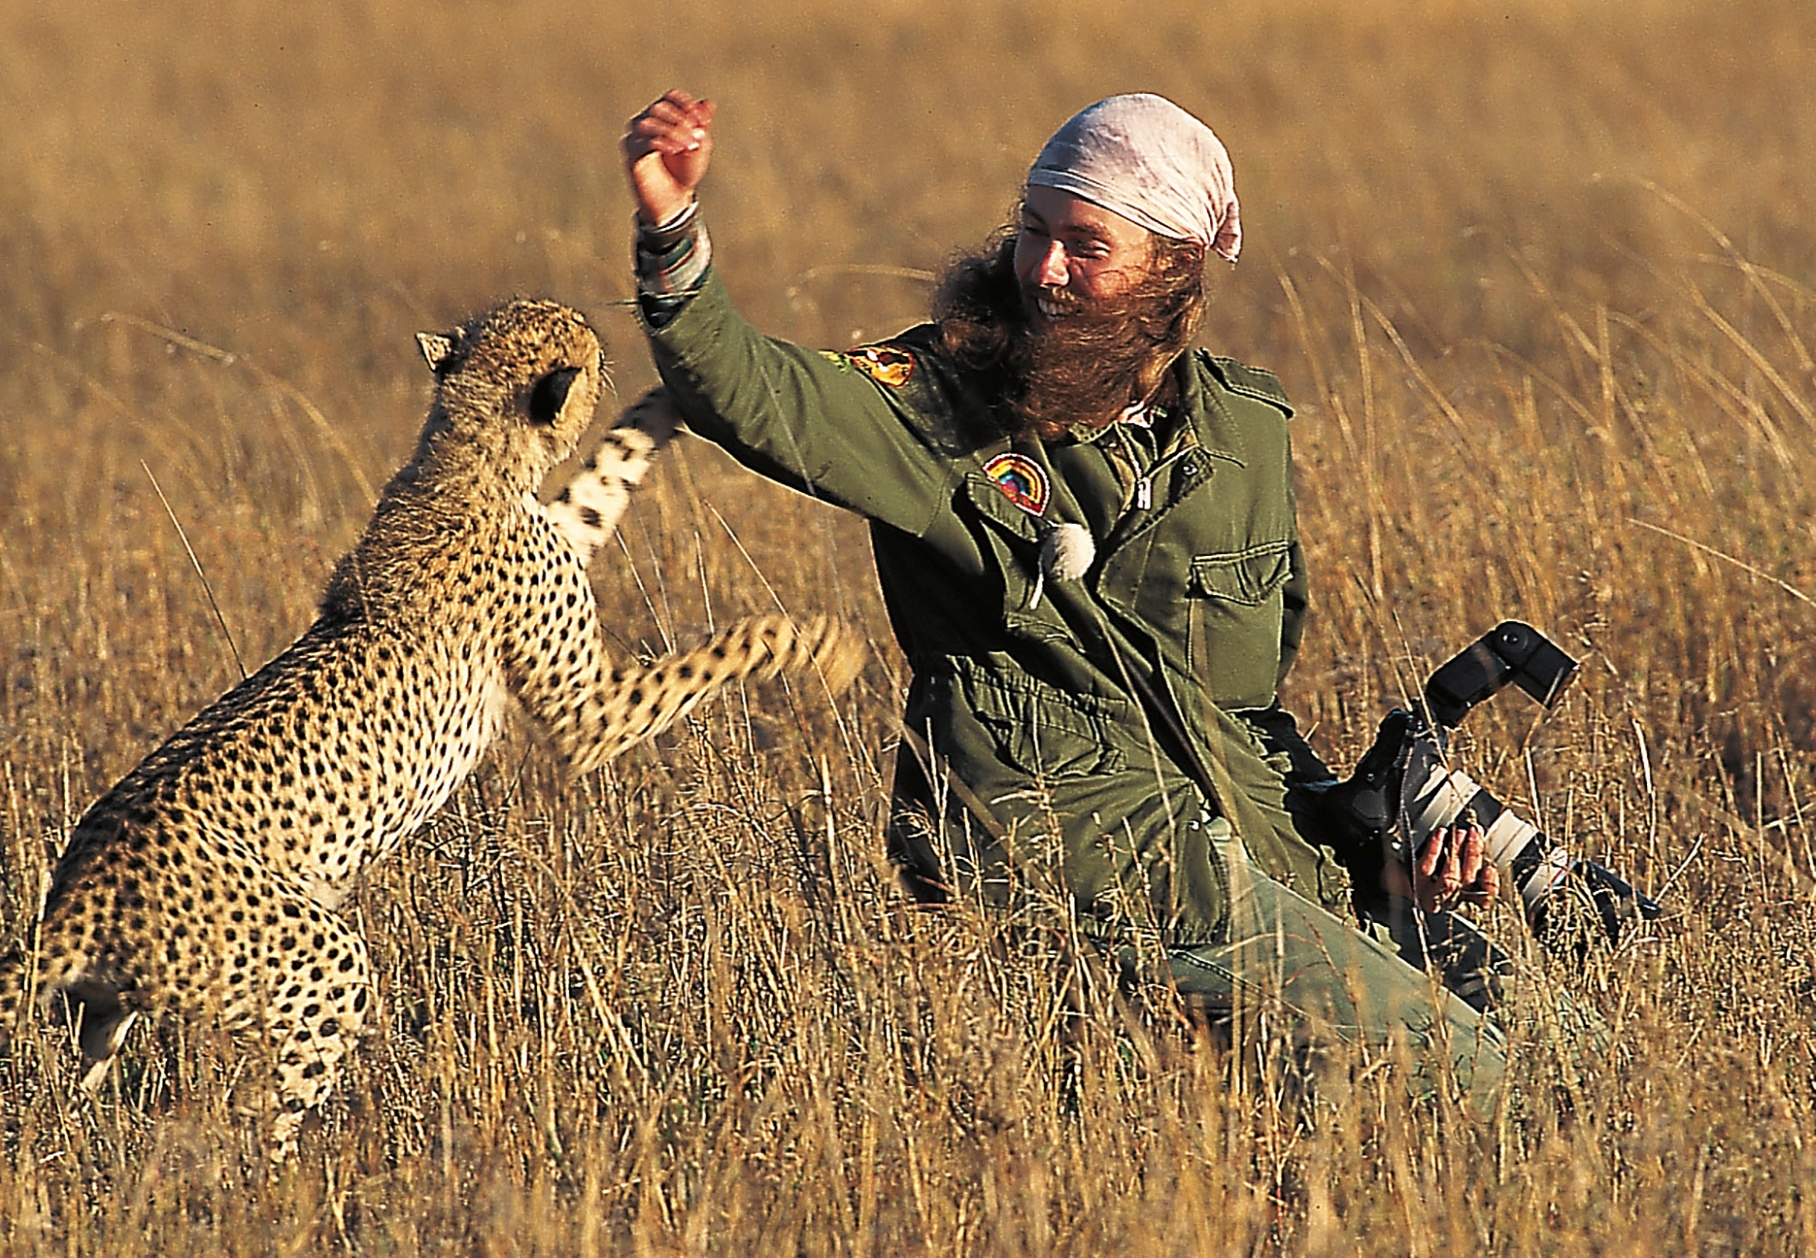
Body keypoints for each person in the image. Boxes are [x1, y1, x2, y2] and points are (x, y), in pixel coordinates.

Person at [621, 89, 1510, 1107]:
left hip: (1227, 840)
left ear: (1176, 263)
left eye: (1085, 246)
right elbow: (746, 389)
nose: (1041, 270)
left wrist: (1371, 855)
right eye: (1033, 231)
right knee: (1467, 1079)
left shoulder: (1245, 435)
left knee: (1570, 1052)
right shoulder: (934, 395)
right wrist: (671, 231)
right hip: (1063, 833)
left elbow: (1241, 719)